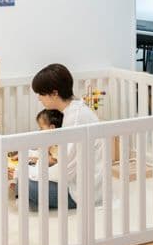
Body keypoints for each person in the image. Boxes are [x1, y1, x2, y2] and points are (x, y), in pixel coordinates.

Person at [30, 63, 105, 210]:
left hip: (82, 192)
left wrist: (33, 172)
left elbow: (66, 170)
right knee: (26, 178)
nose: (39, 98)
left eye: (41, 94)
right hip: (82, 181)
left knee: (26, 184)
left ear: (54, 93)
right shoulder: (75, 111)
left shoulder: (76, 118)